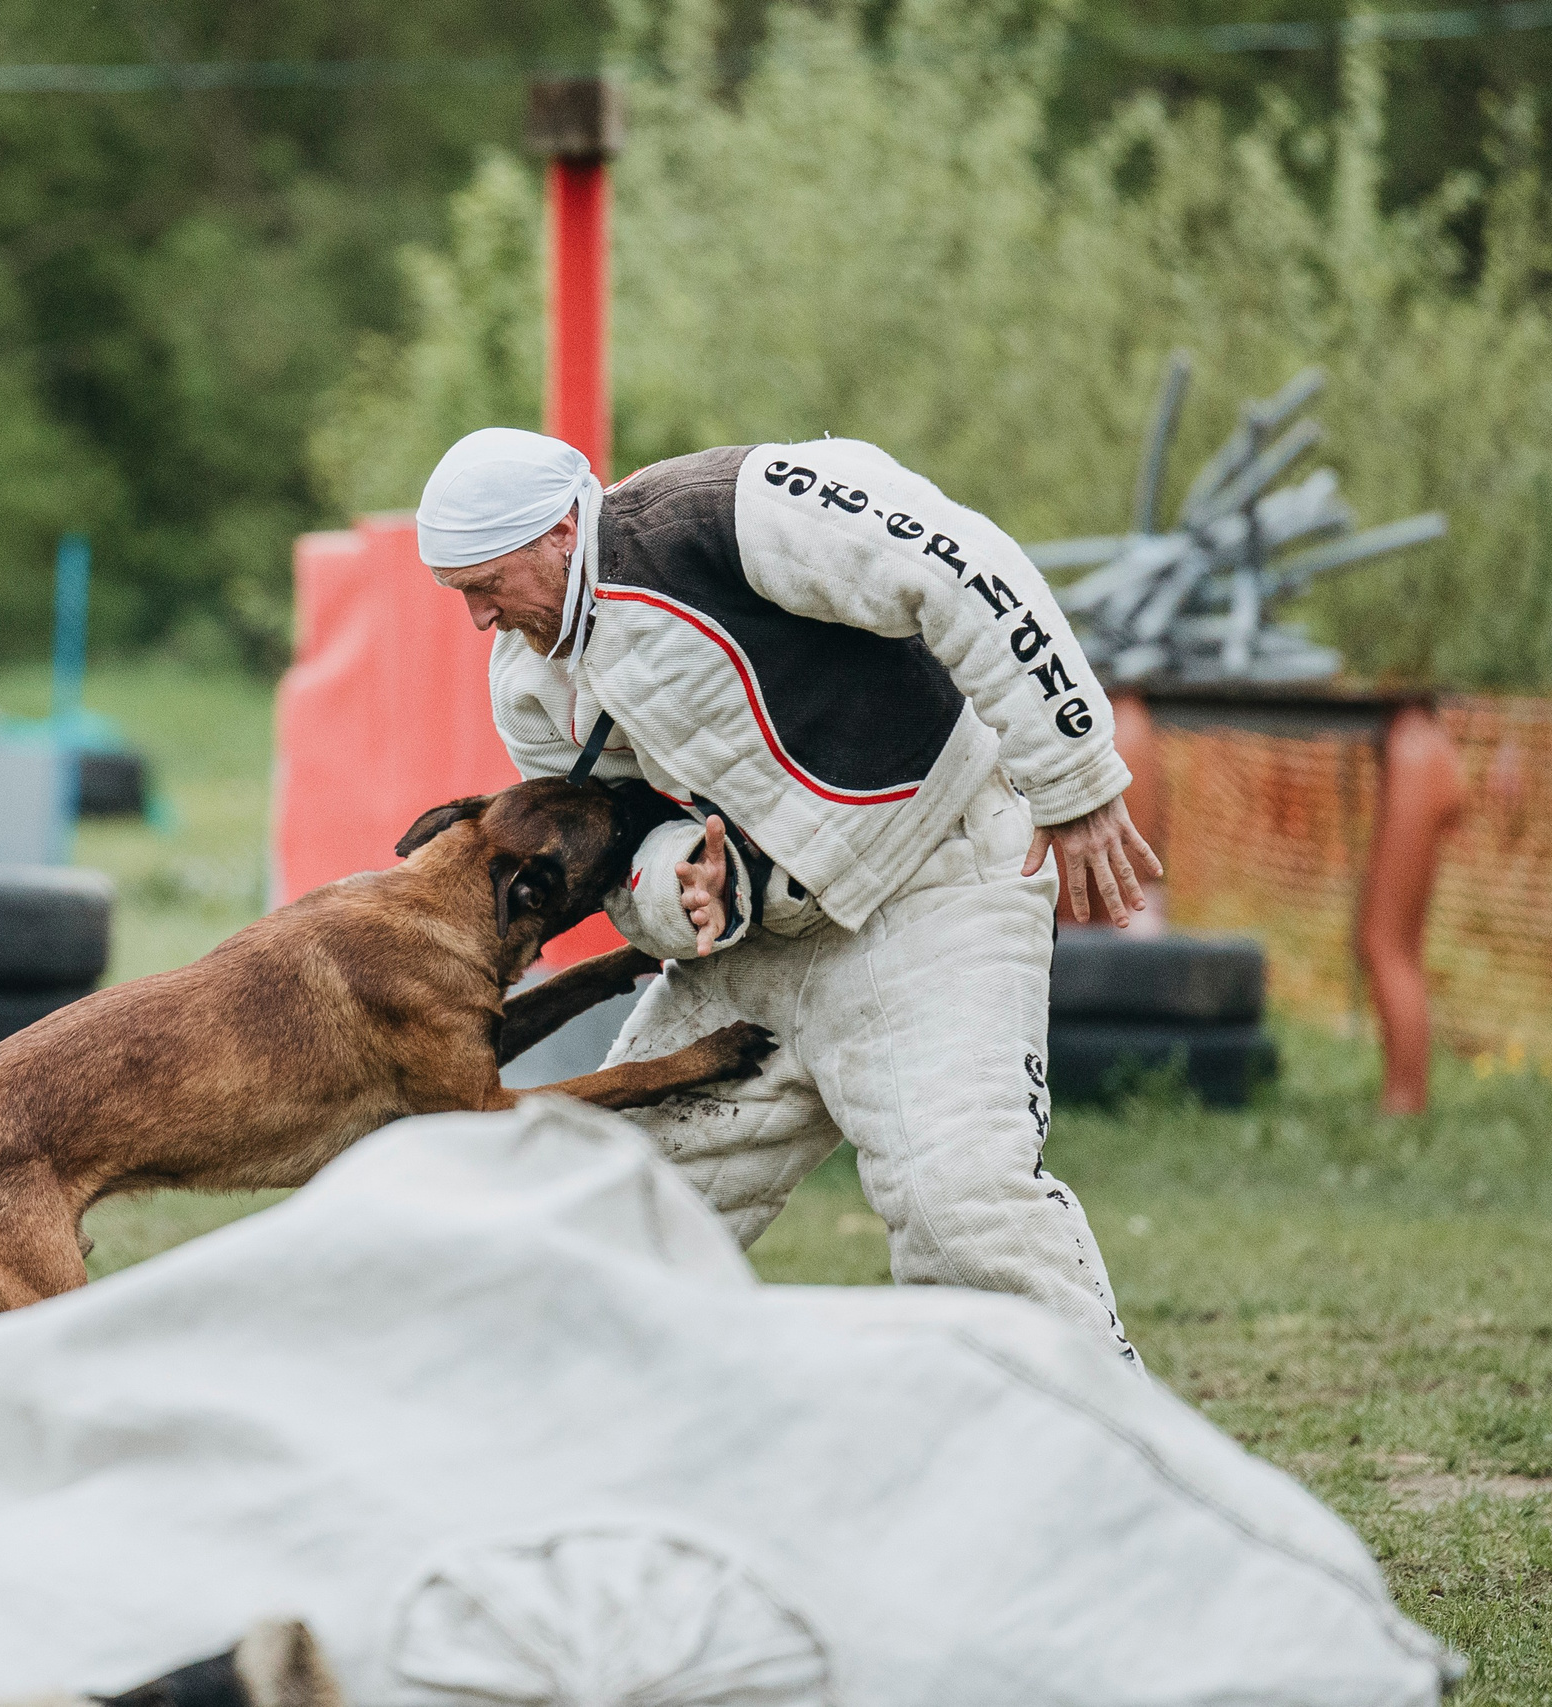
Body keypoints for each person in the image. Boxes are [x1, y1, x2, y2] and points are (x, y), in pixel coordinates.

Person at [419, 428, 1158, 1367]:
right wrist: (678, 886)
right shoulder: (529, 687)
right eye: (461, 594)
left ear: (561, 528)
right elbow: (612, 847)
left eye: (485, 584)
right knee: (609, 1229)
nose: (480, 619)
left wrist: (1074, 777)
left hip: (932, 882)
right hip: (755, 955)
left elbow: (963, 565)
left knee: (963, 1210)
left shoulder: (732, 508)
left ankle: (1103, 1466)